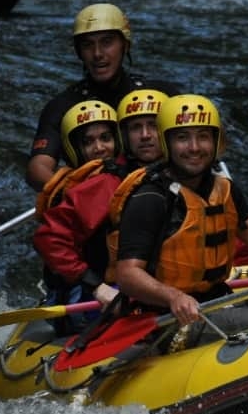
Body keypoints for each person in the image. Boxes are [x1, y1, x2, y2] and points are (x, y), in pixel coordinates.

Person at [110, 94, 248, 352]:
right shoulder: (150, 198)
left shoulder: (224, 189)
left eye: (203, 136)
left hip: (221, 299)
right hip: (173, 319)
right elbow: (128, 275)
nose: (195, 147)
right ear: (167, 142)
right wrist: (173, 296)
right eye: (183, 137)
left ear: (216, 141)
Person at [33, 90, 166, 335]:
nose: (99, 147)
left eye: (106, 138)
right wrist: (94, 285)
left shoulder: (158, 175)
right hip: (89, 295)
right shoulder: (103, 184)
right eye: (88, 141)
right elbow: (48, 238)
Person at [25, 3, 176, 191]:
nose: (97, 54)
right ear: (79, 52)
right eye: (88, 45)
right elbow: (37, 168)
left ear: (125, 45)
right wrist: (76, 192)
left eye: (107, 42)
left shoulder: (162, 95)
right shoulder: (63, 106)